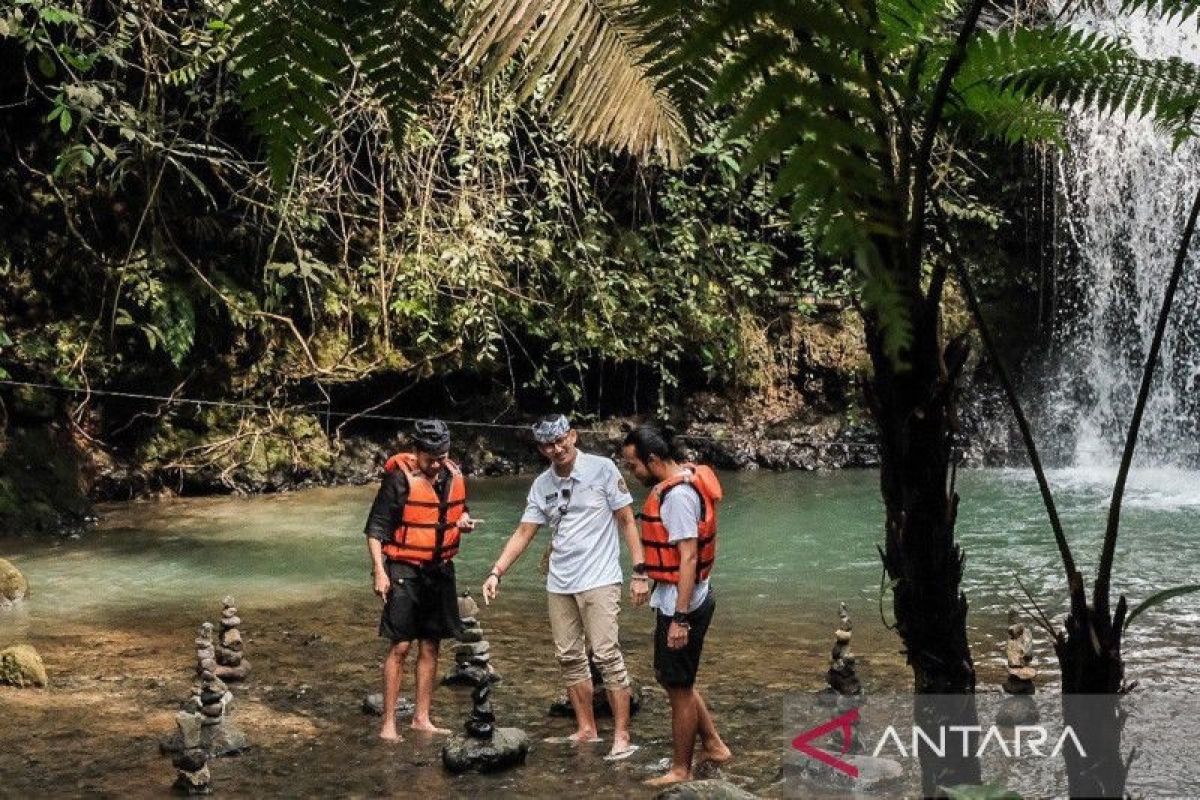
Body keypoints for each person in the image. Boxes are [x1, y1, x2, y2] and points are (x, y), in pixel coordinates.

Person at [482, 414, 648, 760]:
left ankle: (621, 734)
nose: (557, 449)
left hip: (600, 578)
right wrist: (496, 571)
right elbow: (525, 531)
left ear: (573, 435)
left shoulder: (603, 469)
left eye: (561, 440)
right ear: (541, 448)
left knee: (606, 655)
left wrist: (639, 571)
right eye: (548, 445)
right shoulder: (542, 484)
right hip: (560, 582)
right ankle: (586, 729)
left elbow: (627, 520)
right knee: (569, 657)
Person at [621, 425, 731, 786]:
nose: (632, 472)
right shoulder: (675, 483)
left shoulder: (679, 497)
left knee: (679, 687)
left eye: (634, 465)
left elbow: (687, 558)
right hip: (677, 598)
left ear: (652, 460)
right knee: (674, 680)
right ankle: (714, 746)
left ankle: (680, 769)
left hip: (685, 604)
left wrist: (680, 618)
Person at [363, 419, 478, 742]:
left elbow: (459, 512)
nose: (437, 464)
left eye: (442, 456)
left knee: (431, 644)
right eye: (431, 458)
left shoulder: (452, 475)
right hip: (404, 569)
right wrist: (380, 571)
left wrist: (464, 522)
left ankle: (421, 718)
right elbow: (375, 531)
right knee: (400, 645)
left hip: (440, 569)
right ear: (416, 453)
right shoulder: (398, 480)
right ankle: (388, 724)